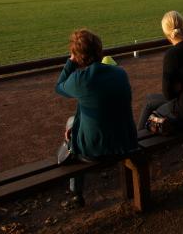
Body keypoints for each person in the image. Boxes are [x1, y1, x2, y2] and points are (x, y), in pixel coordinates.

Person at [55, 29, 139, 206]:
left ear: (77, 56)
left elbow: (59, 86)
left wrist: (70, 62)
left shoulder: (80, 79)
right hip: (126, 142)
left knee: (71, 125)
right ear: (100, 51)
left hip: (97, 150)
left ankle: (76, 194)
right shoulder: (120, 73)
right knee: (77, 120)